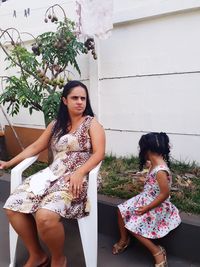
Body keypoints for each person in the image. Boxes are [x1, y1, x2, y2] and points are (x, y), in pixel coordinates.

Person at [0, 80, 105, 267]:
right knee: (12, 207)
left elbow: (99, 153)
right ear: (65, 100)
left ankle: (58, 258)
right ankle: (37, 254)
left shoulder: (91, 124)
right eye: (75, 98)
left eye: (83, 98)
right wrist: (9, 163)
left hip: (78, 178)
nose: (80, 102)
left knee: (45, 216)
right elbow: (34, 147)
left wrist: (80, 172)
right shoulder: (56, 125)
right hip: (51, 175)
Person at [112, 132, 181, 267]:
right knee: (121, 211)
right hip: (145, 198)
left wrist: (148, 207)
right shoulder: (154, 163)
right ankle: (124, 239)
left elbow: (164, 194)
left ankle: (157, 251)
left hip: (157, 205)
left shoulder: (160, 171)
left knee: (132, 226)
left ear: (147, 150)